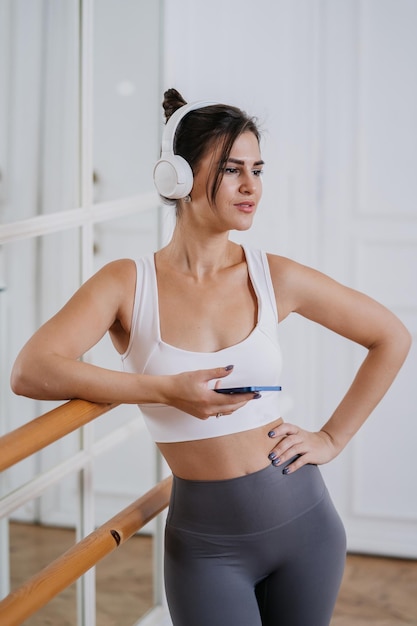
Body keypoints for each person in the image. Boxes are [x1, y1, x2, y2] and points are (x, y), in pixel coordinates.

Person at [11, 88, 411, 626]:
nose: (252, 187)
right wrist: (162, 390)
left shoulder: (274, 276)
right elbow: (31, 370)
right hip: (207, 550)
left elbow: (391, 336)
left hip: (307, 526)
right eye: (230, 170)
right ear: (177, 177)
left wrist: (331, 438)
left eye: (258, 169)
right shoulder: (129, 285)